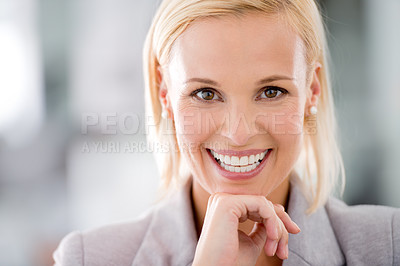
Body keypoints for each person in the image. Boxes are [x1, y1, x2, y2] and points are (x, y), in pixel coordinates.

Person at [53, 0, 400, 265]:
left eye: (271, 92)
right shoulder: (90, 258)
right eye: (206, 94)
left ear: (311, 90)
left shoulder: (389, 244)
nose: (238, 134)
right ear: (165, 96)